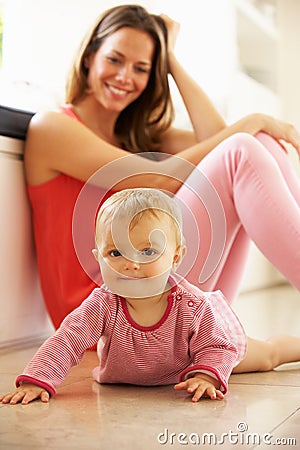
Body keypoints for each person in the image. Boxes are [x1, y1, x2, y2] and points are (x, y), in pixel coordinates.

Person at [24, 4, 300, 330]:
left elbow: (217, 138)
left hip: (153, 293)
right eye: (114, 59)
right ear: (89, 57)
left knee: (259, 142)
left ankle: (205, 329)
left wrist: (171, 61)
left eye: (141, 68)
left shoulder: (140, 136)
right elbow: (157, 177)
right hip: (101, 315)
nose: (125, 76)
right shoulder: (52, 127)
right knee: (242, 146)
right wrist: (249, 121)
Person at [1, 188, 300, 405]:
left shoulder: (191, 305)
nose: (131, 264)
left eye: (147, 251)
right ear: (99, 258)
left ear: (176, 256)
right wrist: (34, 380)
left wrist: (207, 376)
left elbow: (217, 346)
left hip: (192, 359)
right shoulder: (102, 304)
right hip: (147, 366)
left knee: (266, 357)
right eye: (115, 252)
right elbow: (65, 342)